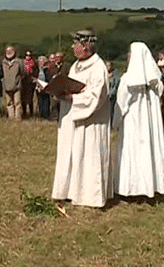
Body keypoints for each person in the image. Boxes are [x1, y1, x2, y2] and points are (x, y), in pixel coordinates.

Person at [52, 30, 113, 209]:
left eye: (75, 43)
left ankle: (90, 196)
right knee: (72, 154)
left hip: (90, 123)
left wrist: (73, 99)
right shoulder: (76, 66)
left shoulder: (98, 67)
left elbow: (97, 96)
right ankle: (71, 191)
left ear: (85, 46)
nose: (72, 46)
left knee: (89, 156)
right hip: (72, 119)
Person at [113, 42, 164, 198]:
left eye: (130, 53)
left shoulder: (128, 79)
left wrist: (115, 122)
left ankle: (130, 188)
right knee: (148, 152)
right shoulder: (155, 79)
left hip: (133, 122)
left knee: (133, 153)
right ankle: (151, 186)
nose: (128, 56)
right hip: (150, 124)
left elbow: (121, 103)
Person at [2, 46, 25, 121]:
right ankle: (11, 118)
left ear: (14, 52)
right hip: (7, 86)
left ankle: (18, 118)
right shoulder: (3, 62)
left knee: (17, 103)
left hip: (17, 86)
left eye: (10, 51)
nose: (9, 52)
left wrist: (19, 80)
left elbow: (23, 73)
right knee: (9, 103)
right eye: (7, 51)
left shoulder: (19, 62)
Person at [21, 50, 38, 118]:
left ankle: (31, 113)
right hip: (23, 82)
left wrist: (34, 77)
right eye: (26, 55)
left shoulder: (34, 63)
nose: (28, 57)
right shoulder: (22, 63)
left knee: (30, 99)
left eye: (29, 56)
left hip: (31, 82)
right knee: (23, 99)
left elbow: (36, 72)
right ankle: (24, 112)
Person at [107, 61, 120, 127]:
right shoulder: (105, 74)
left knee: (111, 110)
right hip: (106, 95)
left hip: (112, 95)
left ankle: (112, 124)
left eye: (108, 66)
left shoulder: (115, 74)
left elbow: (115, 85)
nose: (107, 67)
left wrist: (111, 93)